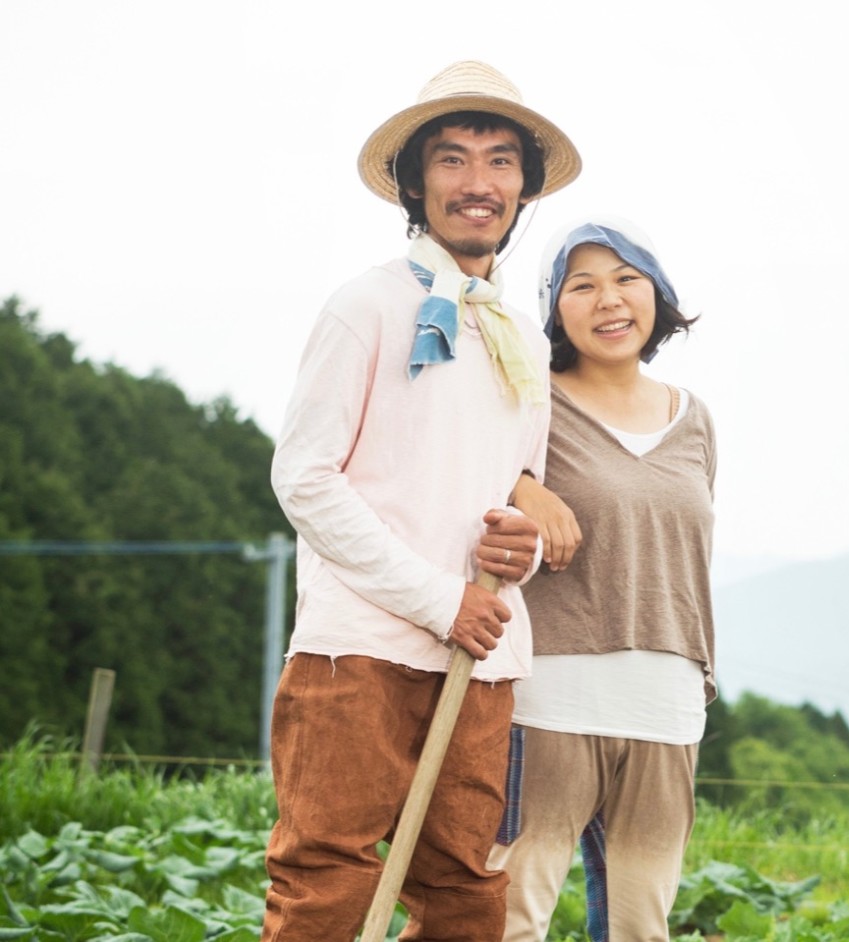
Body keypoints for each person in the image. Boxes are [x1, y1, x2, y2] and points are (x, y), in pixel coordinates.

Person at [262, 61, 581, 942]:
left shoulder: (520, 335)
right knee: (325, 878)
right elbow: (304, 478)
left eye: (500, 162)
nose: (478, 183)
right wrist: (440, 599)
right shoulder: (364, 306)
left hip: (479, 662)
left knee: (467, 891)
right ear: (414, 182)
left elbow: (506, 481)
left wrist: (514, 542)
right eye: (452, 159)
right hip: (356, 651)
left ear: (524, 189)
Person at [488, 216, 717, 942]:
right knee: (513, 915)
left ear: (657, 295)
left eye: (626, 280)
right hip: (550, 692)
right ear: (555, 310)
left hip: (665, 702)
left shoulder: (696, 419)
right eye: (581, 286)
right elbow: (467, 486)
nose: (608, 300)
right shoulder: (530, 404)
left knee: (641, 929)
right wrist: (526, 487)